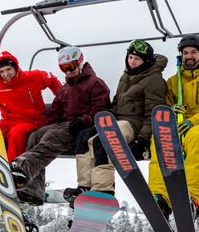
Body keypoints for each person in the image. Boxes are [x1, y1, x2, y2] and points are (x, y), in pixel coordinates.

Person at [63, 39, 167, 207]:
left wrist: (142, 139)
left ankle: (103, 189)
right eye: (130, 57)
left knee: (103, 139)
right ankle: (85, 185)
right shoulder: (126, 76)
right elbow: (117, 103)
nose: (132, 62)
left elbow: (152, 114)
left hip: (134, 124)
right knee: (84, 137)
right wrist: (109, 113)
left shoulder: (154, 80)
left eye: (137, 59)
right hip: (117, 120)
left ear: (146, 61)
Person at [10, 46, 111, 205]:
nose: (68, 72)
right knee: (35, 136)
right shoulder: (64, 89)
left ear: (79, 63)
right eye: (63, 68)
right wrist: (44, 128)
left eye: (70, 67)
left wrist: (82, 120)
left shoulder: (95, 84)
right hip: (66, 126)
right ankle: (34, 189)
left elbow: (100, 111)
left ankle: (24, 167)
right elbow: (55, 113)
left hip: (83, 129)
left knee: (51, 136)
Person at [148, 34, 199, 220]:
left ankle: (193, 200)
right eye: (185, 53)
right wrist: (171, 110)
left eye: (193, 52)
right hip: (178, 126)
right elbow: (163, 108)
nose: (189, 56)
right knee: (159, 140)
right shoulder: (173, 82)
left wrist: (193, 121)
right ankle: (161, 198)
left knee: (197, 140)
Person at [0, 51, 62, 201]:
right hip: (8, 121)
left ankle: (12, 179)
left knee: (17, 134)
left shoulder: (33, 77)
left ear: (15, 67)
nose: (6, 74)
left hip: (32, 120)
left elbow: (52, 79)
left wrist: (61, 99)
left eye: (8, 69)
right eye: (1, 71)